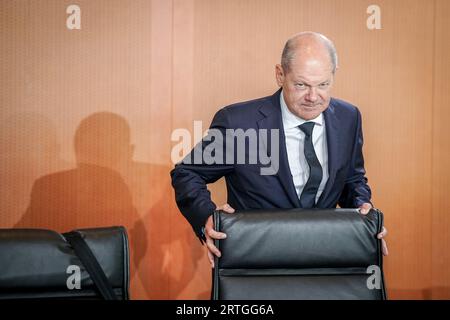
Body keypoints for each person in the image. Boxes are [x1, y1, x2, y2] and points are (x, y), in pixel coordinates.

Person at [171, 32, 388, 268]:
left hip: (326, 258)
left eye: (323, 85)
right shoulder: (239, 122)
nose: (313, 97)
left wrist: (364, 211)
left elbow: (352, 178)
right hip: (255, 261)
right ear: (280, 75)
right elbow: (187, 173)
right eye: (301, 85)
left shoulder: (349, 117)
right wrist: (206, 217)